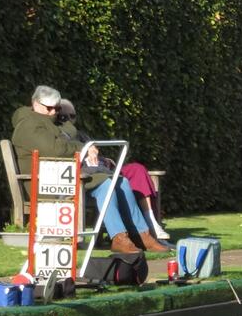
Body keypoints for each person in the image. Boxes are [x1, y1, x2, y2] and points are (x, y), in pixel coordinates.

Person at [11, 85, 169, 254]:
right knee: (107, 184)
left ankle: (141, 234)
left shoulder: (52, 122)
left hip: (68, 177)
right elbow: (54, 149)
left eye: (56, 108)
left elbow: (66, 143)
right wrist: (84, 148)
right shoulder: (28, 124)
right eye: (49, 108)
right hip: (47, 183)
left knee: (120, 182)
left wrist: (86, 148)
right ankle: (119, 237)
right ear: (35, 103)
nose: (52, 112)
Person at [56, 99, 170, 240]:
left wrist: (104, 159)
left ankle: (151, 221)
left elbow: (95, 155)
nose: (69, 120)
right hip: (89, 176)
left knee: (137, 169)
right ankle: (128, 232)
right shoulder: (59, 135)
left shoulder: (82, 134)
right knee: (113, 181)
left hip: (103, 168)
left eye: (72, 116)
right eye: (64, 117)